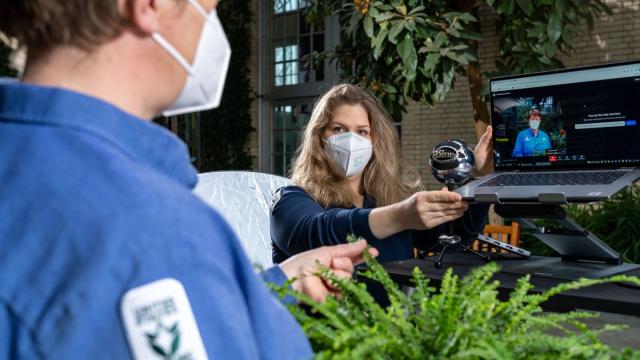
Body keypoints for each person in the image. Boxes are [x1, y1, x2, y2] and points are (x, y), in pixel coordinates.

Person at [0, 0, 378, 358]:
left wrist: (265, 291)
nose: (211, 32)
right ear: (149, 6)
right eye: (209, 9)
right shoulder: (150, 227)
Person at [271, 84, 494, 265]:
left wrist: (479, 180)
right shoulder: (290, 199)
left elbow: (450, 240)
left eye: (362, 131)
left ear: (374, 141)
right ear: (319, 137)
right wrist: (400, 215)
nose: (351, 140)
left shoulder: (385, 200)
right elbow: (311, 233)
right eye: (338, 129)